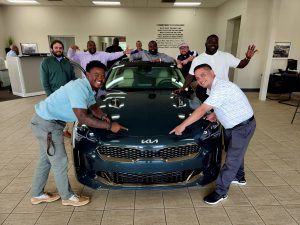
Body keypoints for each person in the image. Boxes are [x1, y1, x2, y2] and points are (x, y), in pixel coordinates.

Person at [30, 60, 128, 207]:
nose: (100, 78)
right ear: (87, 75)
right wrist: (109, 126)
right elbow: (82, 117)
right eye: (96, 74)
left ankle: (37, 194)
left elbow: (92, 105)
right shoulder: (78, 88)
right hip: (47, 124)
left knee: (46, 160)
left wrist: (101, 115)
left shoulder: (87, 88)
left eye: (103, 75)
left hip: (48, 121)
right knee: (60, 161)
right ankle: (67, 197)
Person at [170, 64, 256, 205]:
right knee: (234, 153)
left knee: (231, 160)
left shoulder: (221, 87)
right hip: (232, 125)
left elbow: (203, 109)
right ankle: (239, 177)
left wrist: (182, 125)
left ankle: (221, 192)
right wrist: (215, 114)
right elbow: (224, 103)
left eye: (203, 75)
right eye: (197, 78)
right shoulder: (213, 88)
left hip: (242, 127)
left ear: (213, 73)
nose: (200, 79)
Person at [176, 34, 257, 102]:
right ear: (205, 43)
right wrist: (183, 88)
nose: (213, 44)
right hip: (205, 92)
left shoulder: (226, 56)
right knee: (209, 114)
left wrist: (248, 58)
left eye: (215, 42)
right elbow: (191, 76)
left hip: (223, 91)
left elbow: (241, 65)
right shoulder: (198, 59)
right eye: (210, 42)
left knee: (222, 114)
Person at [40, 40, 77, 138]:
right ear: (52, 49)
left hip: (67, 93)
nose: (58, 50)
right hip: (54, 94)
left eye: (60, 48)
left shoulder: (67, 62)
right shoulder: (46, 62)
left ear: (63, 49)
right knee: (56, 114)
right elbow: (45, 81)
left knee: (68, 111)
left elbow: (72, 77)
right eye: (56, 48)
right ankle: (57, 132)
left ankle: (66, 130)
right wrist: (49, 95)